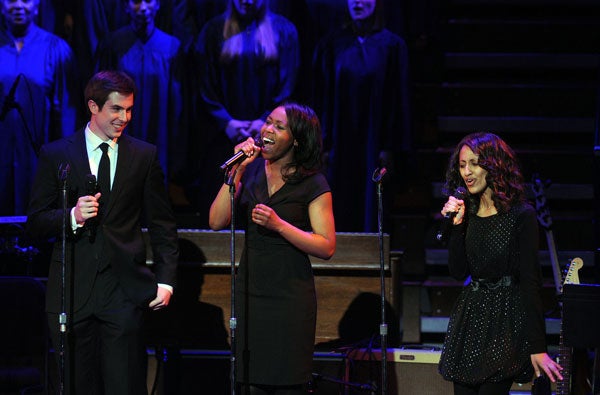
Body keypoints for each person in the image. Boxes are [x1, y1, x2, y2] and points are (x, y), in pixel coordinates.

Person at [26, 70, 179, 394]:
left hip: (123, 290)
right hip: (73, 290)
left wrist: (165, 281)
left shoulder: (143, 155)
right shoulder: (57, 154)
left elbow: (163, 224)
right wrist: (71, 216)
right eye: (116, 109)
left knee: (124, 384)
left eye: (129, 109)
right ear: (93, 107)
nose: (125, 118)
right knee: (79, 384)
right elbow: (36, 222)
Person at [209, 102, 336, 394]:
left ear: (297, 139)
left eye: (279, 127)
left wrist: (280, 225)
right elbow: (216, 220)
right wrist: (238, 170)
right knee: (250, 382)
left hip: (290, 296)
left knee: (288, 383)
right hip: (252, 292)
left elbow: (327, 245)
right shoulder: (251, 172)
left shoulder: (312, 182)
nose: (267, 130)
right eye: (268, 122)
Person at [437, 132, 563, 394]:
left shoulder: (520, 215)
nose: (467, 172)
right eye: (462, 165)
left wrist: (538, 347)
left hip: (506, 320)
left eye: (475, 163)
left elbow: (531, 282)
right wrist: (457, 226)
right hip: (471, 320)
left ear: (494, 165)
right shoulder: (467, 211)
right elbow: (457, 272)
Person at [190, 0, 299, 228]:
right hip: (223, 135)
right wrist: (226, 121)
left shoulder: (283, 31)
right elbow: (203, 82)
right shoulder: (214, 31)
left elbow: (288, 82)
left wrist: (264, 121)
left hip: (269, 139)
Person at [312, 0, 411, 232]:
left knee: (372, 204)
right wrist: (322, 144)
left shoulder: (392, 46)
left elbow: (399, 100)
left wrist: (390, 146)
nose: (358, 2)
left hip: (375, 144)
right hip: (338, 142)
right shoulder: (331, 45)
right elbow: (321, 96)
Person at [0, 0, 78, 216]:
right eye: (10, 0)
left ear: (37, 5)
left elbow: (66, 113)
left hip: (38, 156)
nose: (18, 6)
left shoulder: (56, 49)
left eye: (25, 0)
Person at [95, 0, 186, 183]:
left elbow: (178, 102)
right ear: (126, 6)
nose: (143, 8)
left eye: (148, 1)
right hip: (121, 131)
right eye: (136, 2)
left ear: (158, 4)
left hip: (160, 133)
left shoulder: (172, 47)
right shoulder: (113, 45)